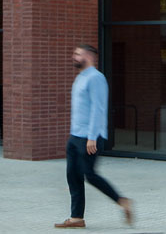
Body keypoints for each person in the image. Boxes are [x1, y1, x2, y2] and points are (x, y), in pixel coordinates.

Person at [55, 44, 134, 229]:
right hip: (75, 136)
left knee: (89, 175)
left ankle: (122, 201)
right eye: (74, 53)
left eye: (78, 54)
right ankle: (76, 218)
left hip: (88, 137)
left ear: (89, 56)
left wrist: (92, 137)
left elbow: (98, 109)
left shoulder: (96, 78)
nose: (74, 57)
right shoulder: (80, 77)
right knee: (73, 175)